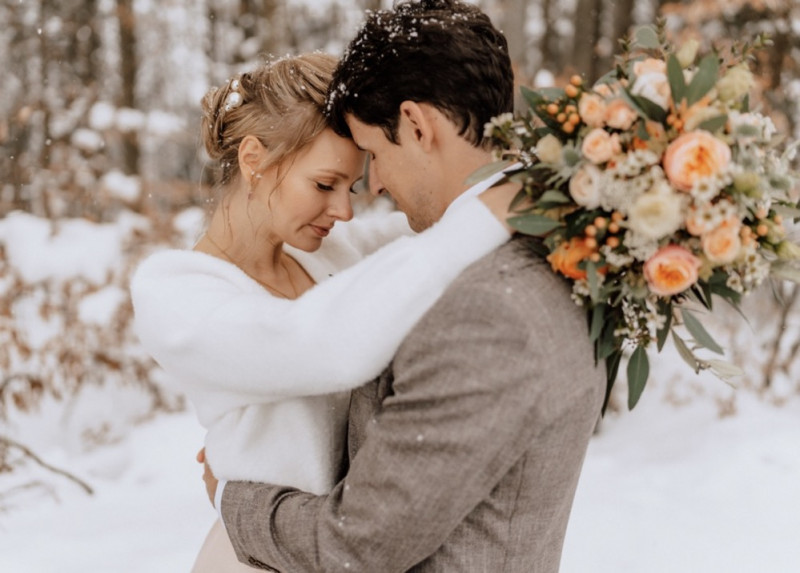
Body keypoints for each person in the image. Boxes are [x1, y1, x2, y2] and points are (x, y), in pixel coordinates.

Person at [211, 1, 606, 572]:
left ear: (418, 127)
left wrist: (232, 498)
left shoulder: (488, 307)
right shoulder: (559, 242)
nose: (374, 186)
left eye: (374, 154)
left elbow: (358, 545)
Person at [130, 52, 519, 571]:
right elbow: (318, 345)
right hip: (259, 559)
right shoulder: (175, 295)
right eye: (323, 185)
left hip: (340, 551)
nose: (344, 210)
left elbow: (436, 217)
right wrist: (496, 211)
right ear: (254, 160)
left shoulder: (328, 252)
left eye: (352, 186)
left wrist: (532, 175)